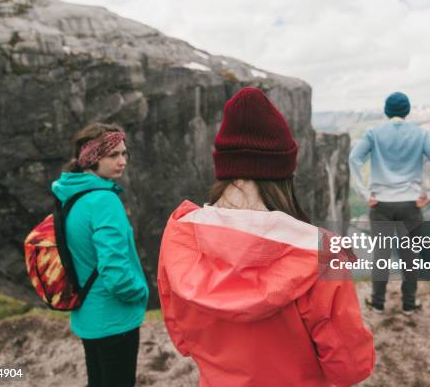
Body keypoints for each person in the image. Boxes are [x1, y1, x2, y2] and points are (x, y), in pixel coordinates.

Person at [158, 87, 375, 387]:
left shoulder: (180, 235)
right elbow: (350, 368)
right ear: (283, 171)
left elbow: (182, 340)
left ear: (224, 166)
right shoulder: (323, 254)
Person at [51, 123, 149, 387]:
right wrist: (139, 292)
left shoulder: (70, 196)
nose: (122, 161)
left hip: (87, 313)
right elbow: (115, 269)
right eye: (113, 155)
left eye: (124, 153)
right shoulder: (104, 201)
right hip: (115, 318)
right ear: (92, 159)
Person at [349, 92, 430, 315]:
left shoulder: (373, 133)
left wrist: (364, 192)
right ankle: (410, 304)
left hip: (380, 204)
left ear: (386, 111)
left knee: (381, 255)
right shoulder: (420, 134)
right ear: (407, 111)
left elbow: (354, 158)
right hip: (410, 204)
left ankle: (377, 303)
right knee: (410, 255)